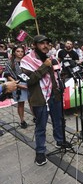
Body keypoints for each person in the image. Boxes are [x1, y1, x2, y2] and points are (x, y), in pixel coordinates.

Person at [20, 35, 67, 166]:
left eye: (47, 43)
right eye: (42, 43)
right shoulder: (26, 61)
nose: (45, 45)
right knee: (41, 126)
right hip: (40, 98)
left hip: (54, 95)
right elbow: (29, 81)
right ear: (34, 45)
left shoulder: (51, 58)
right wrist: (44, 67)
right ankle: (40, 151)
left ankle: (60, 140)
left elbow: (58, 74)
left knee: (58, 121)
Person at [4, 45, 29, 129]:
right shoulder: (10, 62)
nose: (20, 53)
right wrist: (17, 84)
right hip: (17, 85)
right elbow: (7, 74)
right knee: (21, 104)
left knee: (32, 102)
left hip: (28, 84)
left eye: (22, 51)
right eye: (18, 51)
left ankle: (35, 117)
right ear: (14, 52)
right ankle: (22, 120)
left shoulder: (27, 61)